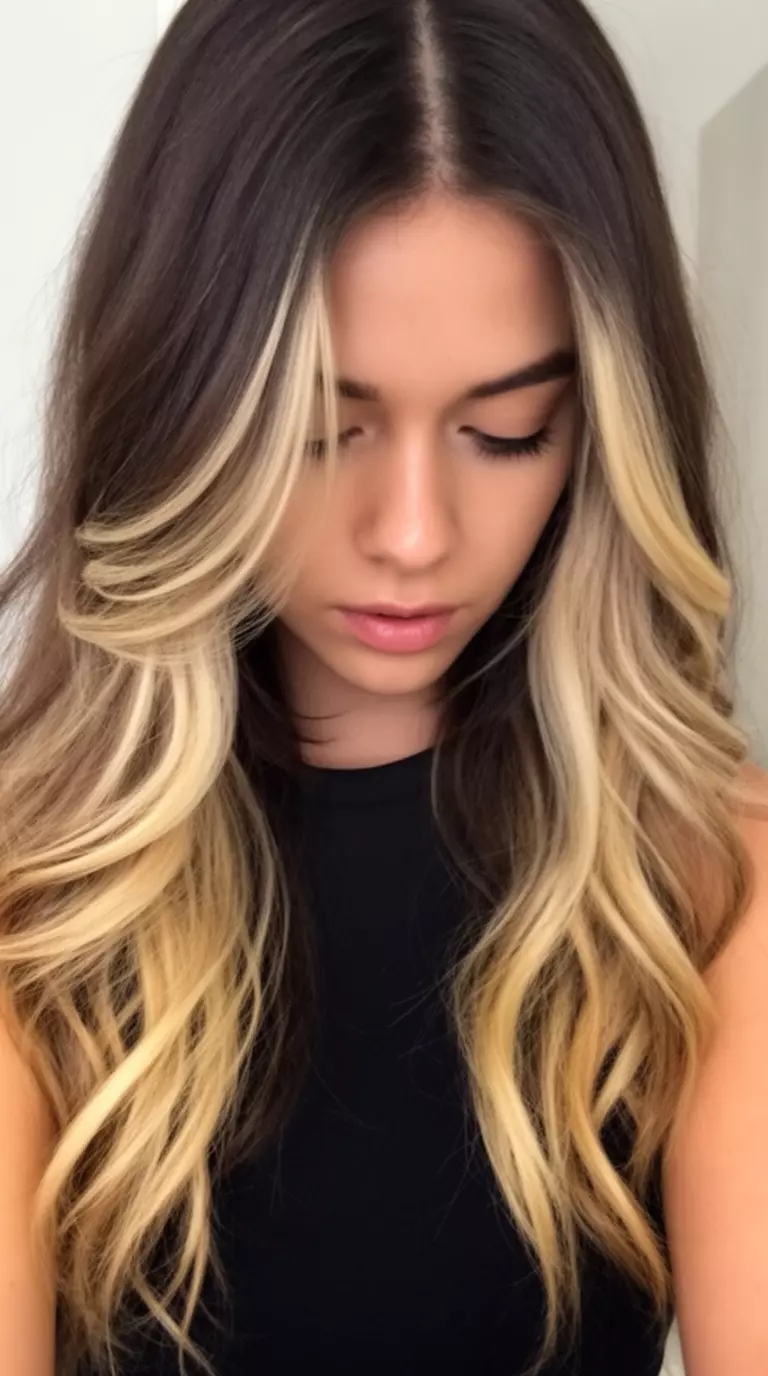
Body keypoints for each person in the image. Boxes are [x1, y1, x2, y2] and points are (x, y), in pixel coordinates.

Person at [0, 0, 767, 1373]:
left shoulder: (712, 886)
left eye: (505, 431)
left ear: (600, 426)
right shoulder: (33, 900)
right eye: (313, 430)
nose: (412, 533)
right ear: (183, 406)